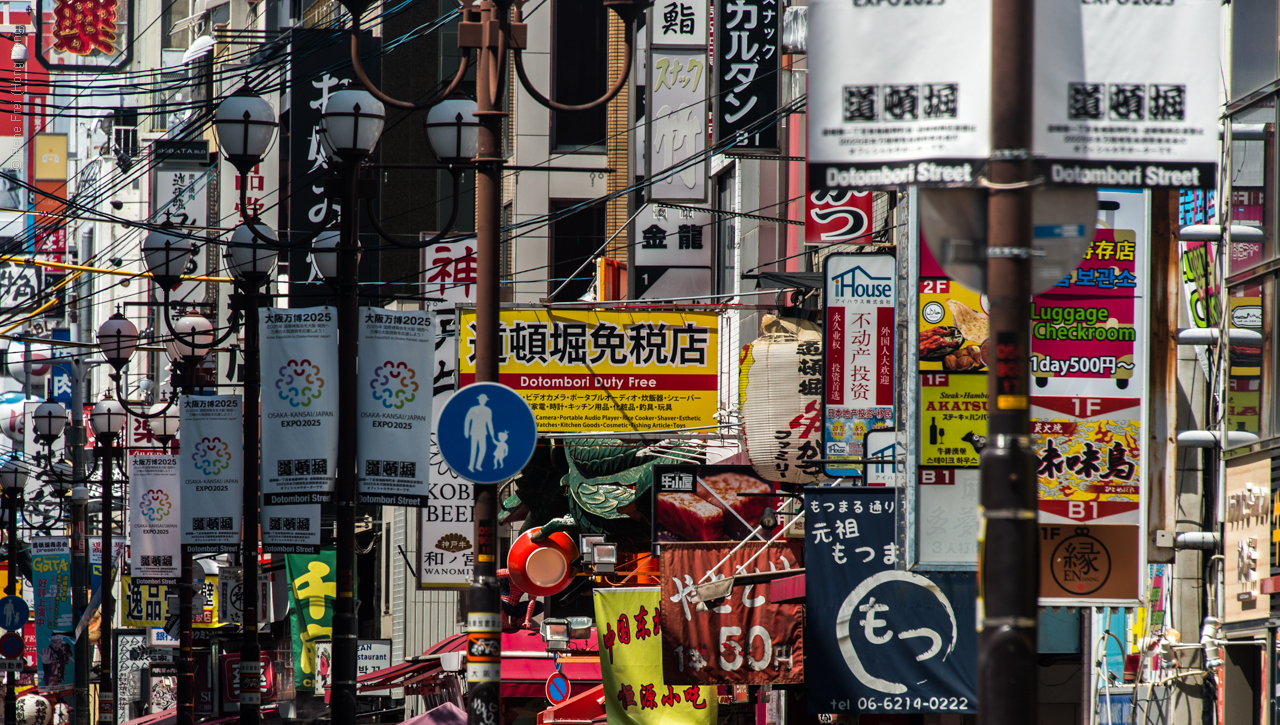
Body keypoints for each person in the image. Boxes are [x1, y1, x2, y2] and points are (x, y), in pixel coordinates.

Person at [464, 393, 495, 473]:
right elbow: (467, 420)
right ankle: (471, 466)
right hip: (474, 432)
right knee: (473, 449)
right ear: (479, 400)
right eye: (481, 399)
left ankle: (478, 465)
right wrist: (466, 432)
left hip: (483, 432)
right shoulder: (473, 409)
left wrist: (492, 435)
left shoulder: (488, 410)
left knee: (483, 449)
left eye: (484, 400)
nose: (483, 401)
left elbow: (489, 423)